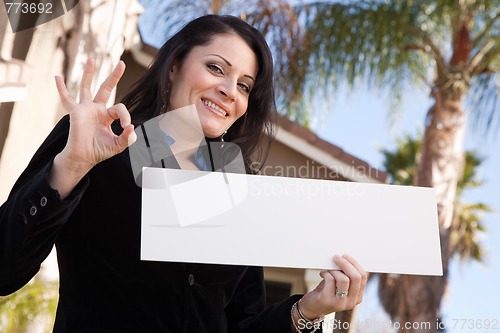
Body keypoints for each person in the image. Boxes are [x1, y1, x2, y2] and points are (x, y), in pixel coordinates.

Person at [0, 15, 367, 332]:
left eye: (244, 86)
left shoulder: (239, 189)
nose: (228, 90)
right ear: (174, 66)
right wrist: (73, 166)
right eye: (216, 68)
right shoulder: (95, 145)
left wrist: (308, 311)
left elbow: (241, 323)